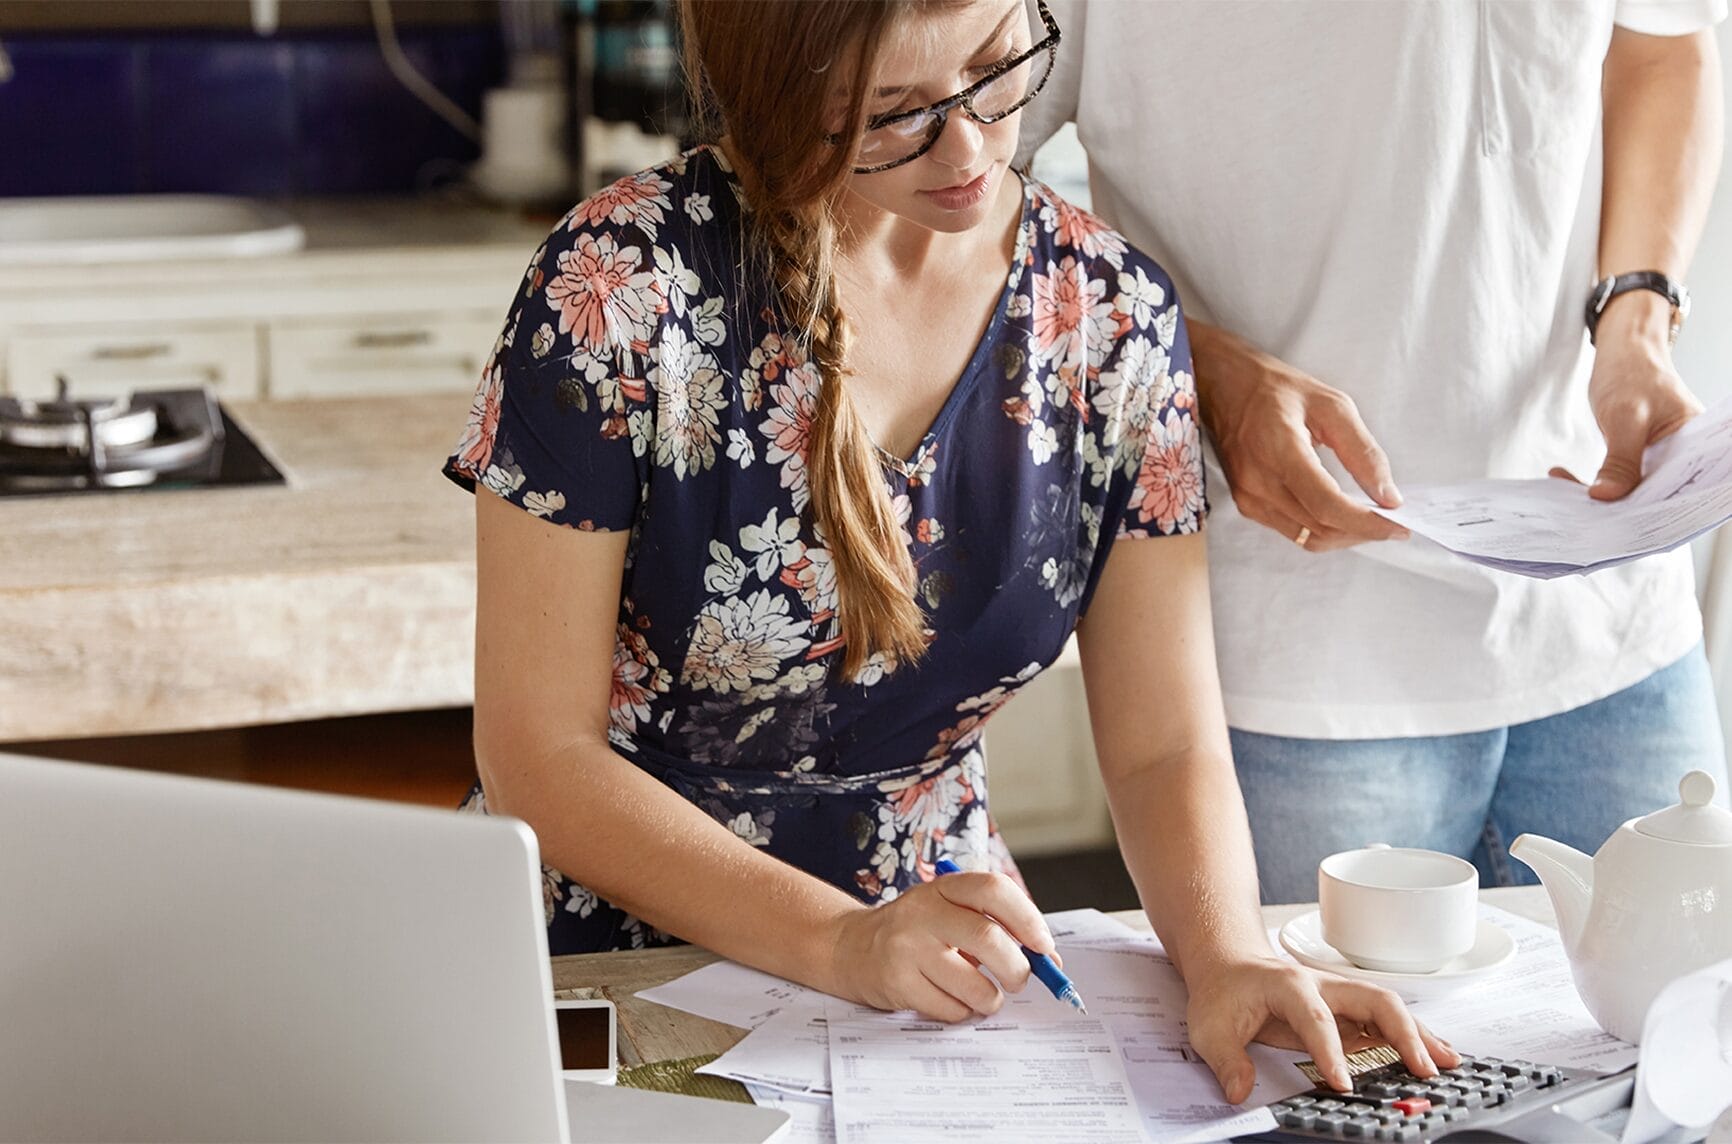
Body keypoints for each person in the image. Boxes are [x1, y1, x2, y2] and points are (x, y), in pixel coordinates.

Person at [444, 0, 1453, 1102]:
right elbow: (538, 757)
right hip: (610, 952)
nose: (969, 146)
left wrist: (1230, 956)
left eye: (992, 70)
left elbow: (1165, 742)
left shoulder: (1112, 314)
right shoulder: (617, 288)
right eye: (892, 113)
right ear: (784, 91)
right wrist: (842, 942)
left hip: (946, 965)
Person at [1017, 0, 1730, 904]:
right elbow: (961, 164)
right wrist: (1207, 372)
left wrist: (1638, 316)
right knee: (1339, 1049)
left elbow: (1664, 52)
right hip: (1296, 649)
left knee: (1678, 1030)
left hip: (1613, 618)